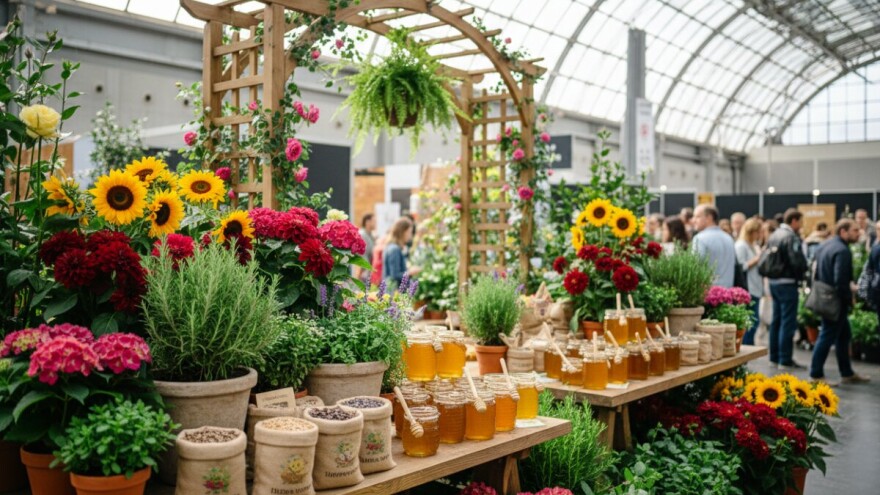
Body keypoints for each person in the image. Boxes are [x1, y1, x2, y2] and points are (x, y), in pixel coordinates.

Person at [809, 219, 870, 384]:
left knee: (844, 335)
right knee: (827, 335)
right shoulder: (842, 250)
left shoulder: (825, 245)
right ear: (843, 231)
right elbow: (840, 281)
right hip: (835, 301)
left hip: (824, 297)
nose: (859, 234)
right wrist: (849, 298)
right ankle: (816, 375)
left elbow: (814, 270)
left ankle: (847, 372)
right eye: (855, 231)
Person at [765, 208, 809, 369]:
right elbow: (797, 262)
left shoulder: (774, 235)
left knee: (776, 320)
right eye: (800, 222)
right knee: (787, 322)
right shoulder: (790, 237)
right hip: (787, 283)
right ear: (794, 221)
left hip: (774, 283)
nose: (801, 225)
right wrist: (804, 273)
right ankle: (785, 359)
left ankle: (774, 357)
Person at [691, 204, 736, 287]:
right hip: (728, 293)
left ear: (709, 218)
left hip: (707, 293)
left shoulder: (700, 239)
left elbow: (695, 267)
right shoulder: (729, 238)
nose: (693, 220)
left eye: (697, 217)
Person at [735, 218, 764, 345]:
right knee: (751, 321)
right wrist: (757, 259)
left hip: (755, 287)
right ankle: (746, 347)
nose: (759, 235)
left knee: (753, 320)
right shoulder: (741, 245)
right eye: (758, 232)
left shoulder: (752, 245)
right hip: (748, 288)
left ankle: (748, 347)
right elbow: (741, 267)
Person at [383, 217, 420, 287]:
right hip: (394, 293)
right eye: (409, 232)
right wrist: (410, 272)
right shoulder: (394, 249)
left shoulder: (392, 247)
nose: (410, 236)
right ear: (402, 232)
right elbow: (394, 275)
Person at [355, 214, 376, 283]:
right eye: (374, 221)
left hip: (369, 272)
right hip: (365, 274)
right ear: (367, 222)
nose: (375, 223)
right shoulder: (363, 235)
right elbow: (363, 256)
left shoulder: (370, 235)